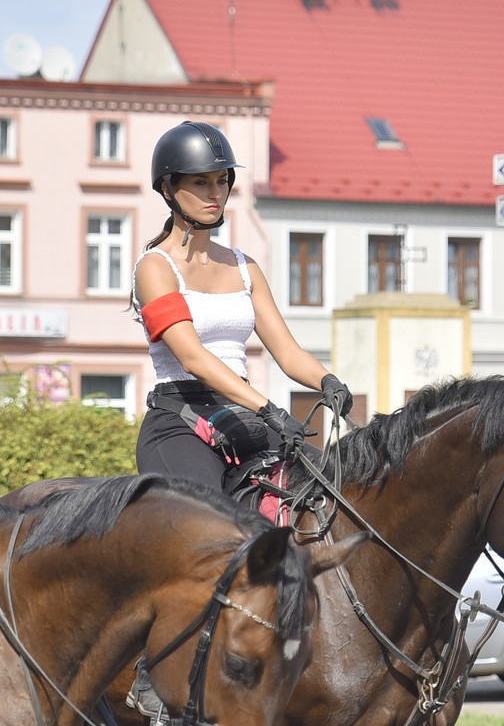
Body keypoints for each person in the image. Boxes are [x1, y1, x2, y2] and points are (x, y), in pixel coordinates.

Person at [131, 120, 353, 493]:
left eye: (222, 181)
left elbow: (287, 351)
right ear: (168, 188)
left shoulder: (244, 266)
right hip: (179, 422)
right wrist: (268, 409)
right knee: (213, 521)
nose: (215, 193)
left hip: (241, 412)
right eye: (201, 182)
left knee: (338, 489)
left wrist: (327, 382)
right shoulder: (155, 268)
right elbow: (193, 359)